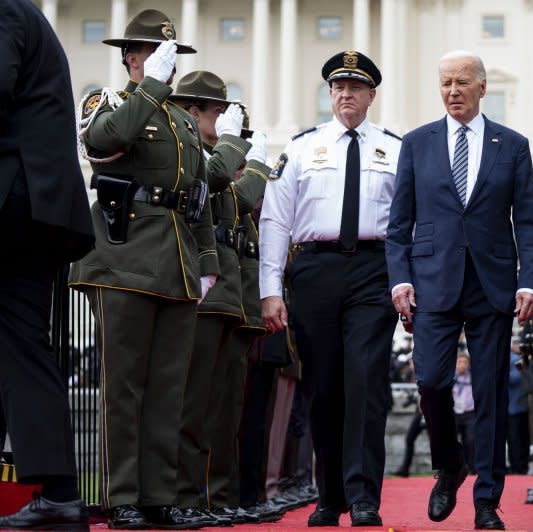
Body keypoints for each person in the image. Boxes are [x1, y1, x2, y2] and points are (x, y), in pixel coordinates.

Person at [68, 9, 219, 529]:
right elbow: (104, 142)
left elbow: (196, 197)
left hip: (175, 263)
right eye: (154, 54)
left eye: (169, 57)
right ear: (130, 56)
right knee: (123, 386)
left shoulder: (181, 120)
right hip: (124, 257)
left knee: (168, 388)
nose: (166, 64)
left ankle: (160, 495)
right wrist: (150, 86)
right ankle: (121, 494)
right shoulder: (110, 102)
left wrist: (207, 263)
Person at [386, 50, 533, 530]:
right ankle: (450, 463)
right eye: (445, 83)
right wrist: (401, 277)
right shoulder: (417, 143)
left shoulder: (512, 145)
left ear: (482, 87)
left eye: (461, 82)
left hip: (493, 285)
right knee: (431, 380)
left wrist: (529, 283)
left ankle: (486, 499)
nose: (452, 90)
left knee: (491, 392)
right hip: (432, 284)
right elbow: (399, 226)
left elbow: (530, 224)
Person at [259, 50, 401, 527]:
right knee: (323, 385)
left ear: (370, 95)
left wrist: (408, 282)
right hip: (315, 270)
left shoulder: (395, 148)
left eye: (356, 87)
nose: (346, 94)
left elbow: (409, 224)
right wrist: (270, 288)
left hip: (373, 268)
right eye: (338, 87)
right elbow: (276, 220)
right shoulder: (301, 147)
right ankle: (329, 495)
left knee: (366, 382)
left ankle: (363, 496)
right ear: (330, 94)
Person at [0, 0, 95, 527]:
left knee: (17, 344)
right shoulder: (25, 13)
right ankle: (58, 491)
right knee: (16, 344)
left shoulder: (6, 11)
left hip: (16, 202)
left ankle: (60, 493)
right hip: (35, 207)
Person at [168, 70, 266, 525]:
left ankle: (219, 497)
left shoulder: (213, 155)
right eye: (216, 112)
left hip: (228, 289)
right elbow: (220, 189)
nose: (222, 120)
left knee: (225, 407)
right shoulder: (194, 156)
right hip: (205, 286)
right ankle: (190, 497)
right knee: (197, 405)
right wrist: (246, 159)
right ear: (193, 112)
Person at [506, 337, 530, 475]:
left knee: (519, 438)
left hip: (517, 405)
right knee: (512, 439)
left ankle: (521, 466)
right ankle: (516, 465)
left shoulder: (514, 359)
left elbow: (516, 377)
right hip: (510, 406)